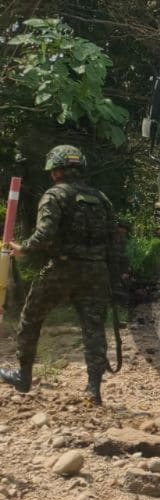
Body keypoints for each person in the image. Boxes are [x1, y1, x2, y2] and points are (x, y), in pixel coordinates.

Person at [0, 145, 117, 404]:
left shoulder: (54, 196)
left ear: (55, 171)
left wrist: (24, 249)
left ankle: (23, 376)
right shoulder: (101, 198)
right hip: (96, 271)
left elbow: (45, 234)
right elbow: (114, 239)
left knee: (31, 317)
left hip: (63, 268)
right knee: (94, 329)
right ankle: (93, 390)